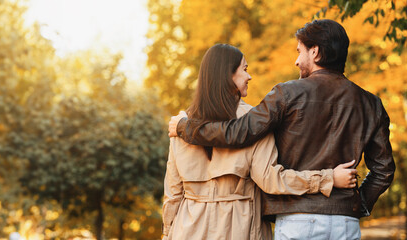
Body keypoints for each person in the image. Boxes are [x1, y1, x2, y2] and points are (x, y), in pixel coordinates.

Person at [168, 20, 395, 239]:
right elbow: (383, 170)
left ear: (314, 52)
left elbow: (236, 133)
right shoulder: (371, 104)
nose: (296, 61)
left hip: (296, 218)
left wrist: (185, 128)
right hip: (345, 221)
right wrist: (357, 204)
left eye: (300, 51)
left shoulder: (286, 94)